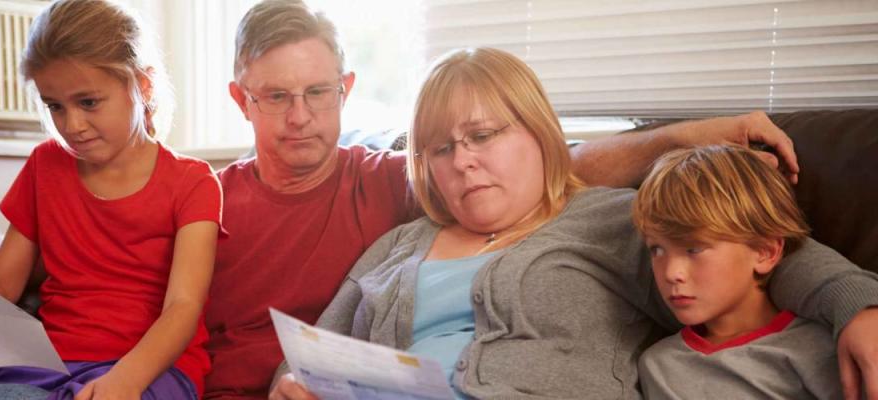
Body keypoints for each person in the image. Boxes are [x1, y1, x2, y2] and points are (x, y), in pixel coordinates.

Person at [203, 2, 826, 399]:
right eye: (442, 149)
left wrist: (857, 307)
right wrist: (290, 382)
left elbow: (750, 255)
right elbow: (315, 353)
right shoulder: (398, 241)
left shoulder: (608, 221)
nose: (464, 160)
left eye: (483, 136)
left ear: (538, 132)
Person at [0, 0, 223, 399]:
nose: (72, 125)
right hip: (44, 361)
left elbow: (183, 307)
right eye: (55, 107)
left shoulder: (194, 182)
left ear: (142, 85)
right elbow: (3, 284)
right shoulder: (45, 165)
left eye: (89, 102)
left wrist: (126, 381)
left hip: (150, 368)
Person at [633, 145, 841, 399]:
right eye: (657, 250)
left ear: (765, 252)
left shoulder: (820, 350)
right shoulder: (658, 366)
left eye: (694, 249)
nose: (671, 273)